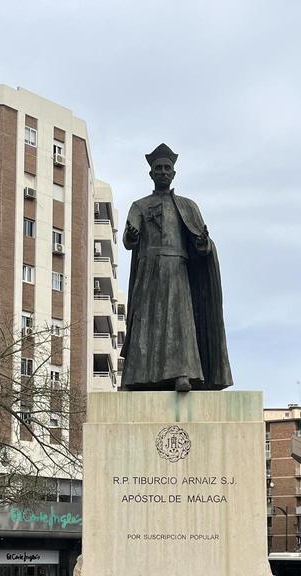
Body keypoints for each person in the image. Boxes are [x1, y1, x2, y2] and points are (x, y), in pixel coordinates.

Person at [121, 143, 232, 392]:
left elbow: (202, 243)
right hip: (148, 272)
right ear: (151, 173)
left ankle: (183, 373)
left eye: (166, 168)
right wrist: (131, 235)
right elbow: (129, 240)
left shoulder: (187, 206)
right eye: (158, 168)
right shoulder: (139, 206)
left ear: (173, 173)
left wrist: (203, 244)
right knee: (144, 322)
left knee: (180, 323)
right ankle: (135, 377)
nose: (162, 172)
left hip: (177, 271)